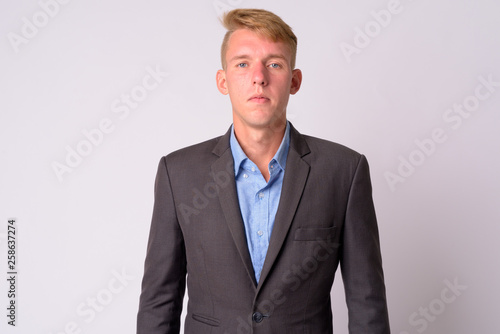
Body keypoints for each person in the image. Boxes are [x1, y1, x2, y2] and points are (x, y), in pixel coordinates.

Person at [137, 8, 390, 334]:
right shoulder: (178, 173)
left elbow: (367, 300)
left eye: (274, 64)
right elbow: (160, 300)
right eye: (243, 64)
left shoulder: (344, 171)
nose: (259, 77)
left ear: (294, 81)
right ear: (223, 81)